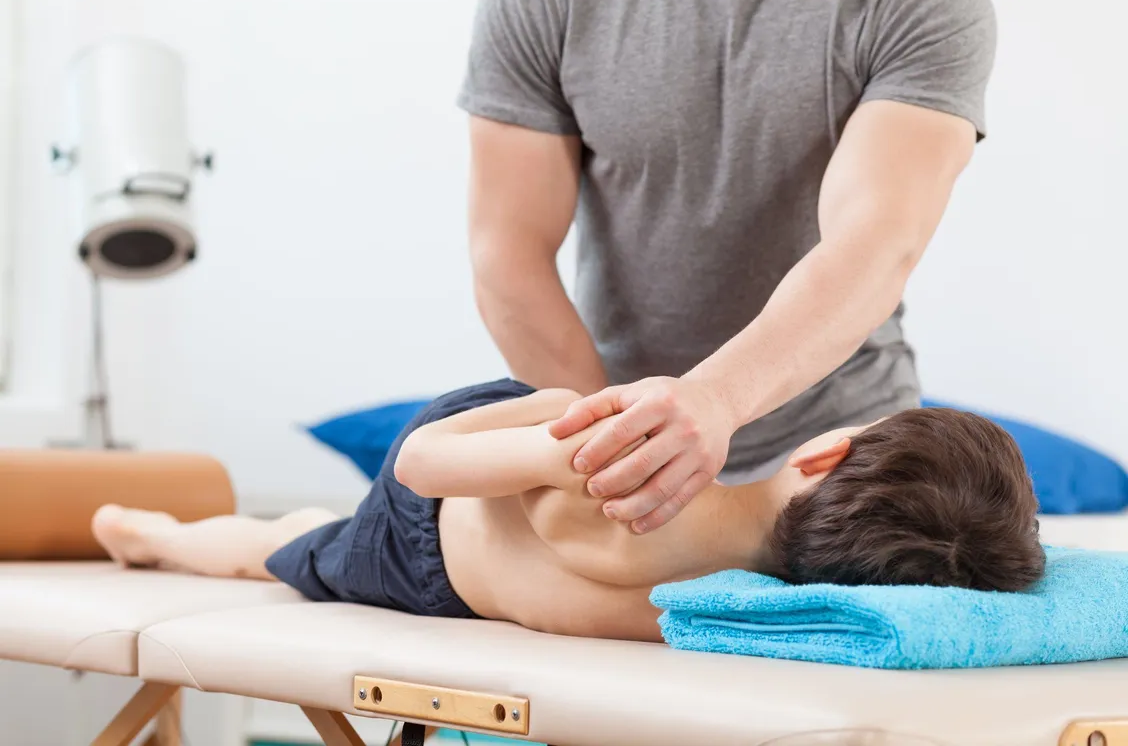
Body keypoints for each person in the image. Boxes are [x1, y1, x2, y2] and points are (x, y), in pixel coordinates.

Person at [459, 0, 998, 534]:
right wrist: (616, 447)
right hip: (612, 427)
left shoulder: (925, 5)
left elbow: (876, 245)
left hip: (837, 446)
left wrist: (715, 400)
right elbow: (509, 256)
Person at [92, 379, 1045, 643]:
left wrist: (561, 423)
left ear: (822, 451)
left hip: (430, 528)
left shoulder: (615, 474)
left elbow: (419, 465)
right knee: (284, 547)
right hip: (456, 559)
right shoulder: (741, 613)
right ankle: (177, 538)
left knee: (280, 546)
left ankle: (167, 537)